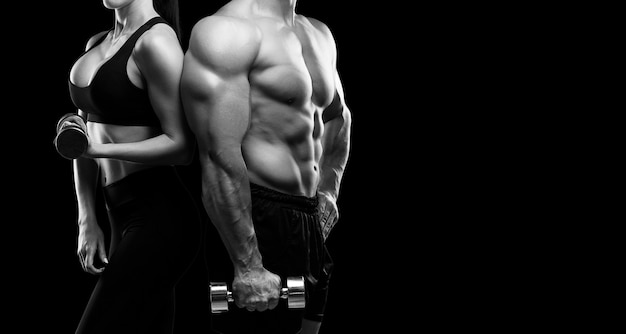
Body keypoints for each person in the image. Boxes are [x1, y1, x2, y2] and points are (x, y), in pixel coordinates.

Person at [180, 0, 352, 333]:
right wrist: (248, 266)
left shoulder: (317, 33)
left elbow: (337, 115)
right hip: (256, 220)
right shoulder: (225, 32)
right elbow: (217, 157)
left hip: (307, 220)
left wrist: (329, 189)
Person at [63, 0, 203, 333]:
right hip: (117, 215)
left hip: (161, 218)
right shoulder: (97, 43)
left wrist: (96, 149)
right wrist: (87, 218)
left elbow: (181, 146)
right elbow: (82, 134)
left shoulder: (156, 41)